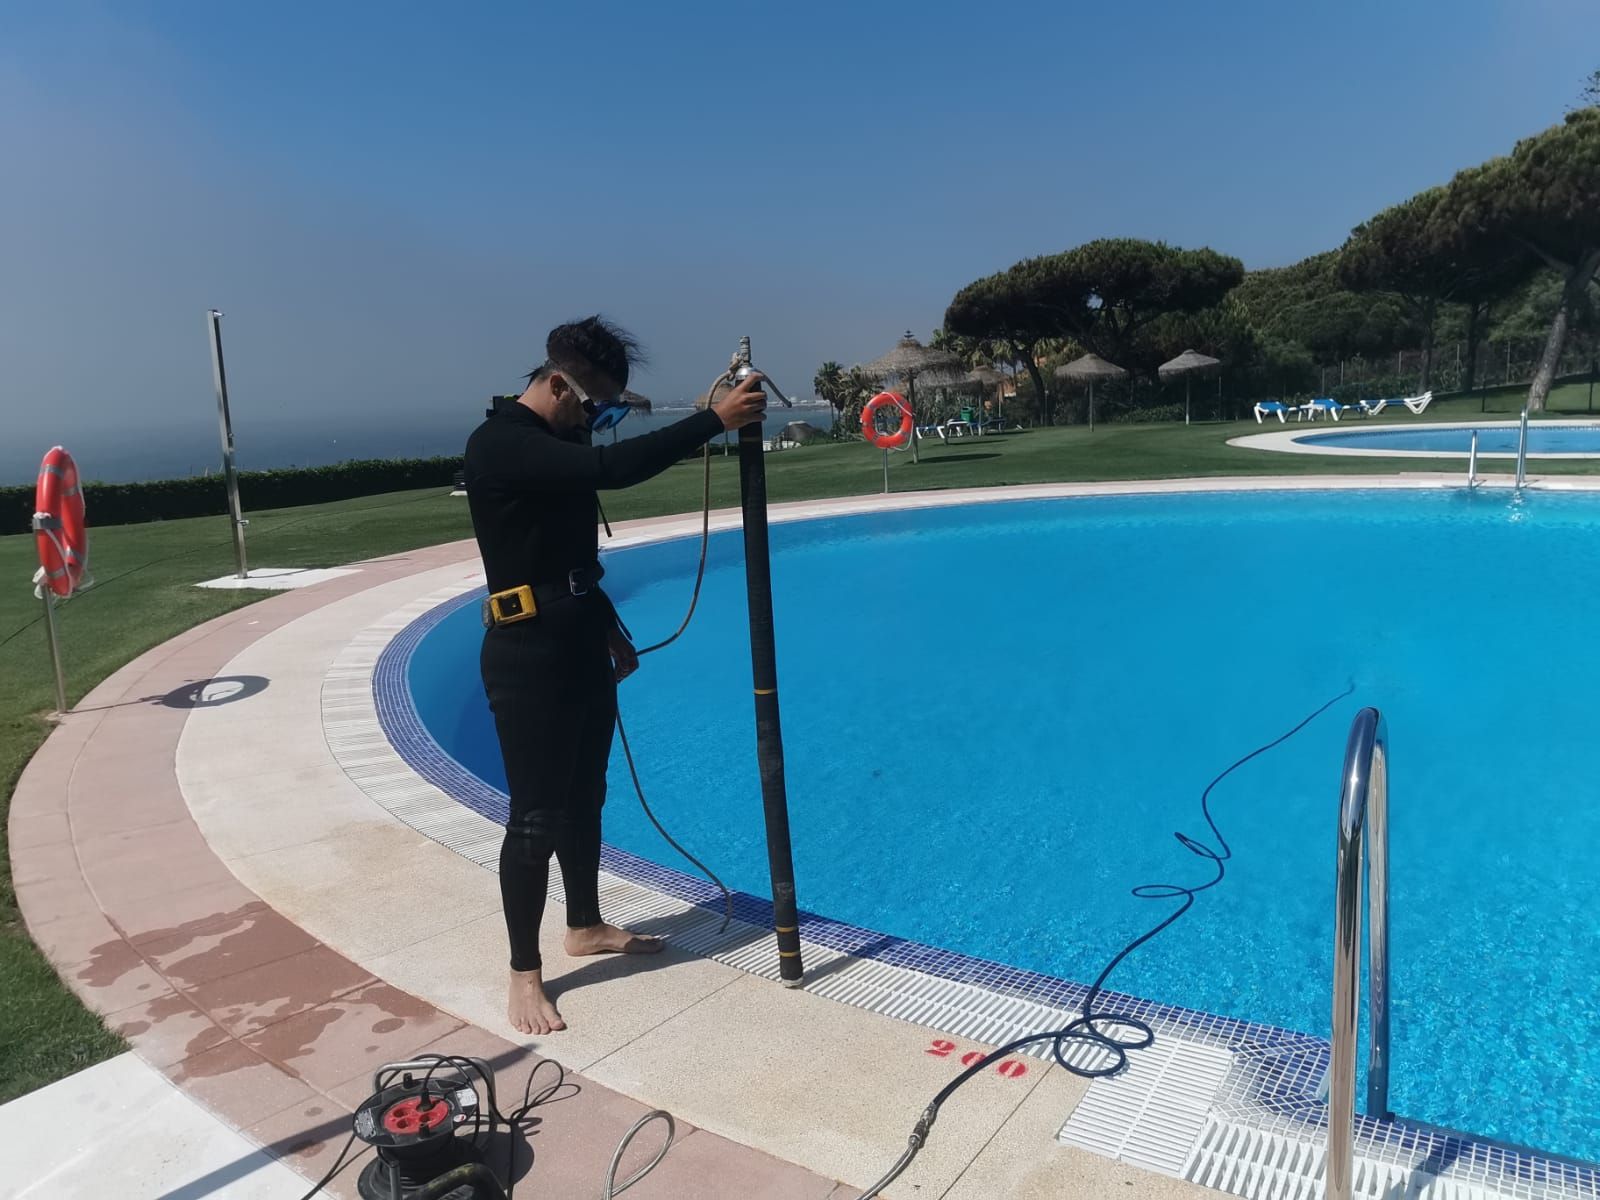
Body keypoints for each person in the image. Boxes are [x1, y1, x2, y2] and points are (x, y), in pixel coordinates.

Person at [463, 316, 765, 1036]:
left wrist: (605, 625)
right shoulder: (501, 443)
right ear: (558, 384)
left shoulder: (559, 439)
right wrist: (712, 420)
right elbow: (612, 471)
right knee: (536, 818)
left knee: (586, 795)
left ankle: (585, 925)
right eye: (596, 407)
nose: (598, 422)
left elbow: (570, 556)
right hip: (525, 651)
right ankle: (524, 972)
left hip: (576, 638)